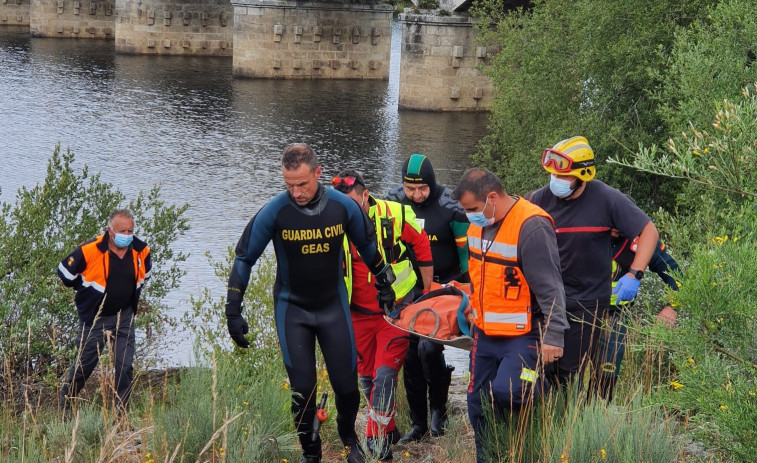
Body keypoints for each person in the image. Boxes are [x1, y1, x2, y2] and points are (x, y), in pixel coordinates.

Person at [225, 144, 396, 463]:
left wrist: (384, 284)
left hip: (332, 307)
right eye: (289, 184)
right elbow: (244, 258)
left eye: (302, 183)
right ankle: (311, 453)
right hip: (294, 311)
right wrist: (232, 309)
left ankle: (348, 440)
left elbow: (367, 247)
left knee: (347, 388)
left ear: (318, 174)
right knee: (303, 390)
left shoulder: (343, 207)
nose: (297, 192)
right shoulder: (275, 211)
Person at [453, 168, 568, 463]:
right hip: (484, 333)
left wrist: (554, 336)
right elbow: (480, 277)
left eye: (473, 209)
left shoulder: (531, 225)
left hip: (523, 334)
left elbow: (551, 288)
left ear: (492, 197)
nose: (470, 216)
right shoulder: (478, 225)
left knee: (509, 391)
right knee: (477, 400)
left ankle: (540, 389)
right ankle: (489, 456)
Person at [528, 136, 660, 390]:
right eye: (553, 174)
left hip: (587, 302)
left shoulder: (606, 199)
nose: (556, 181)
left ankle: (568, 416)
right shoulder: (538, 201)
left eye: (564, 177)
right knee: (540, 366)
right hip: (546, 300)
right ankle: (543, 418)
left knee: (568, 369)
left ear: (583, 175)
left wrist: (635, 274)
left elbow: (649, 231)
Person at [333, 169, 433, 461]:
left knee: (386, 376)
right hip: (357, 314)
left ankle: (376, 441)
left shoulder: (394, 214)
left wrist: (427, 293)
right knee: (366, 377)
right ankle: (387, 428)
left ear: (365, 196)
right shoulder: (330, 221)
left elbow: (422, 244)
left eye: (353, 204)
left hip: (396, 310)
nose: (347, 211)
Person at [385, 154, 469, 441]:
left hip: (444, 288)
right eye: (410, 189)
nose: (417, 195)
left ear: (432, 185)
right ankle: (418, 422)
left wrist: (464, 289)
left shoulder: (450, 206)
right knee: (409, 352)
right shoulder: (393, 202)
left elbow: (466, 255)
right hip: (408, 288)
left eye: (422, 189)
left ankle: (438, 410)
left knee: (428, 349)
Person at [57, 209, 151, 415]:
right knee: (83, 368)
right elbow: (65, 273)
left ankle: (121, 417)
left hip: (124, 317)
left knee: (125, 368)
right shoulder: (90, 250)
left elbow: (145, 275)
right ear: (110, 231)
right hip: (95, 320)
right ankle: (65, 410)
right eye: (122, 231)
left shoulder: (141, 250)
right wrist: (86, 291)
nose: (127, 235)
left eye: (130, 231)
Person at [596, 231, 682, 401]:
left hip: (615, 316)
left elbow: (675, 276)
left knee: (608, 369)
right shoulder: (588, 227)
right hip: (576, 310)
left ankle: (600, 410)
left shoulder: (642, 239)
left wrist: (671, 307)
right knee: (566, 367)